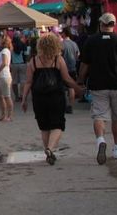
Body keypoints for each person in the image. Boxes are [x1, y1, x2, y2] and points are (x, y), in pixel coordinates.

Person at [78, 13, 117, 164]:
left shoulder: (91, 41)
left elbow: (85, 64)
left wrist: (80, 80)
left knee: (99, 115)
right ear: (113, 24)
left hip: (98, 85)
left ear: (100, 24)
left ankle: (100, 140)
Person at [22, 33, 82, 165]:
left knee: (44, 127)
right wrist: (78, 88)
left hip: (39, 98)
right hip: (56, 97)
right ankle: (50, 148)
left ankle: (48, 151)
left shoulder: (33, 61)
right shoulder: (58, 60)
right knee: (58, 124)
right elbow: (66, 79)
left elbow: (28, 82)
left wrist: (24, 98)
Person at [61, 28, 80, 114]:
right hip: (73, 68)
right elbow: (78, 54)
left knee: (62, 88)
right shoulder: (74, 43)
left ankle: (64, 105)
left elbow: (59, 55)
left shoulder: (62, 44)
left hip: (63, 68)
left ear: (64, 33)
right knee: (71, 88)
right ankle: (70, 106)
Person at [0, 35, 14, 122]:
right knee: (0, 96)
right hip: (1, 76)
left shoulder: (5, 51)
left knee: (7, 96)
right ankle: (3, 114)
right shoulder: (3, 51)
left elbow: (5, 63)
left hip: (4, 76)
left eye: (0, 39)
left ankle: (9, 115)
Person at [11, 31, 28, 101]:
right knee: (23, 80)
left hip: (14, 64)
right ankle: (22, 95)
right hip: (22, 64)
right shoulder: (23, 44)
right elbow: (26, 54)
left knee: (14, 81)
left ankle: (16, 96)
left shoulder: (11, 44)